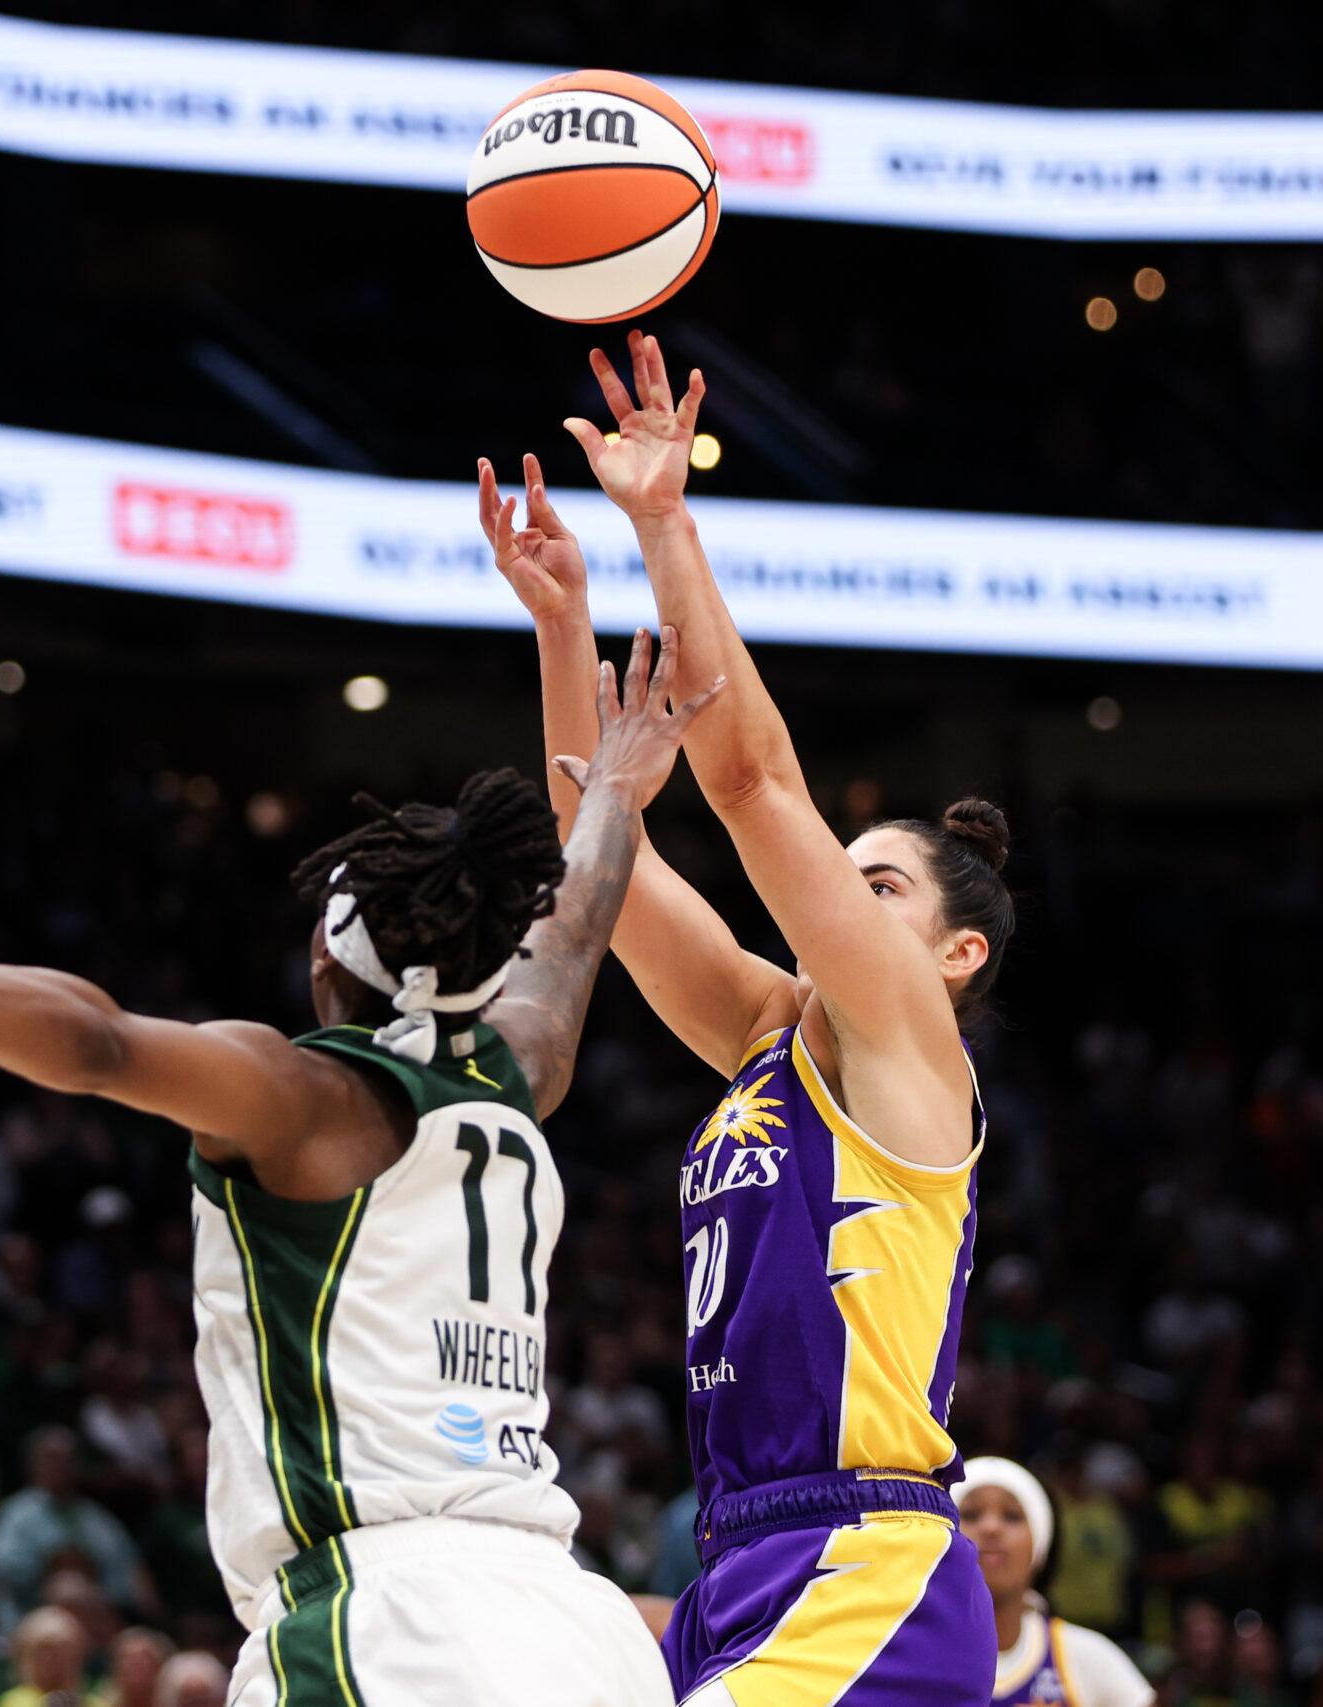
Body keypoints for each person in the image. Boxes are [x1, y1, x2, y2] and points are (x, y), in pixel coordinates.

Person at [0, 627, 711, 1707]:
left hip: (390, 1621)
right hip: (575, 1624)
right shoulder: (519, 1073)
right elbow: (570, 942)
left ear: (324, 956)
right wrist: (617, 785)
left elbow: (96, 1039)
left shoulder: (303, 1099)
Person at [487, 330, 1012, 1707]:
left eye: (875, 879)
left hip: (867, 1560)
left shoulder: (906, 1036)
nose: (841, 887)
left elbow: (751, 777)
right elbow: (594, 842)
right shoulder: (770, 1040)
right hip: (742, 1550)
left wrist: (663, 521)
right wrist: (561, 621)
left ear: (955, 952)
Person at [954, 1458, 1151, 1707]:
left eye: (1012, 1516)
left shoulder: (1090, 1657)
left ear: (1040, 1544)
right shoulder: (910, 1654)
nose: (991, 1527)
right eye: (971, 1515)